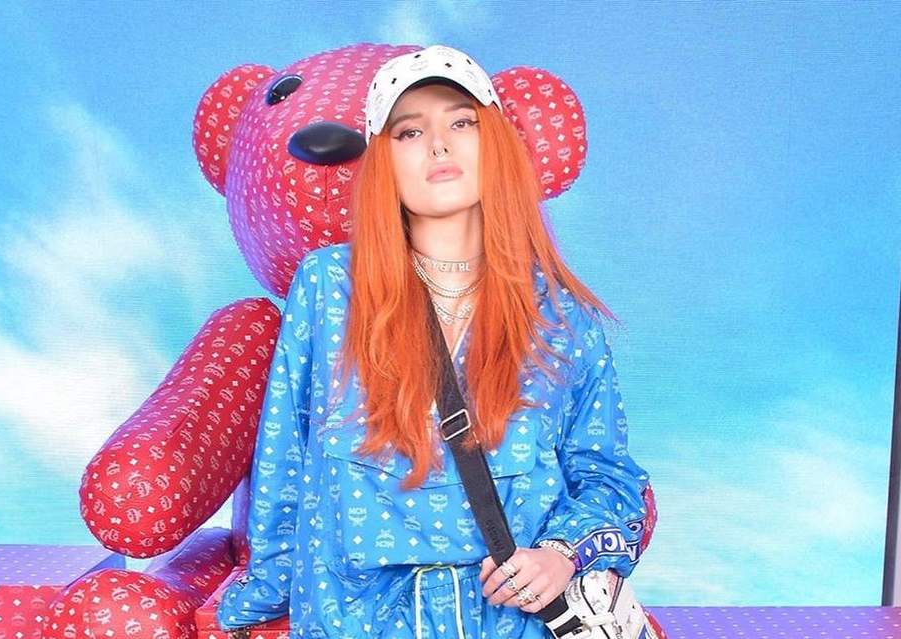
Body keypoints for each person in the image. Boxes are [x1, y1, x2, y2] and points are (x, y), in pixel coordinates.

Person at [217, 44, 652, 639]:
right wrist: (260, 600)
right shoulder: (328, 285)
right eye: (409, 132)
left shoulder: (561, 313)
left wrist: (560, 555)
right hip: (361, 621)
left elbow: (610, 476)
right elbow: (284, 456)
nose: (439, 145)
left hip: (512, 622)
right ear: (382, 160)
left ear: (496, 143)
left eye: (462, 122)